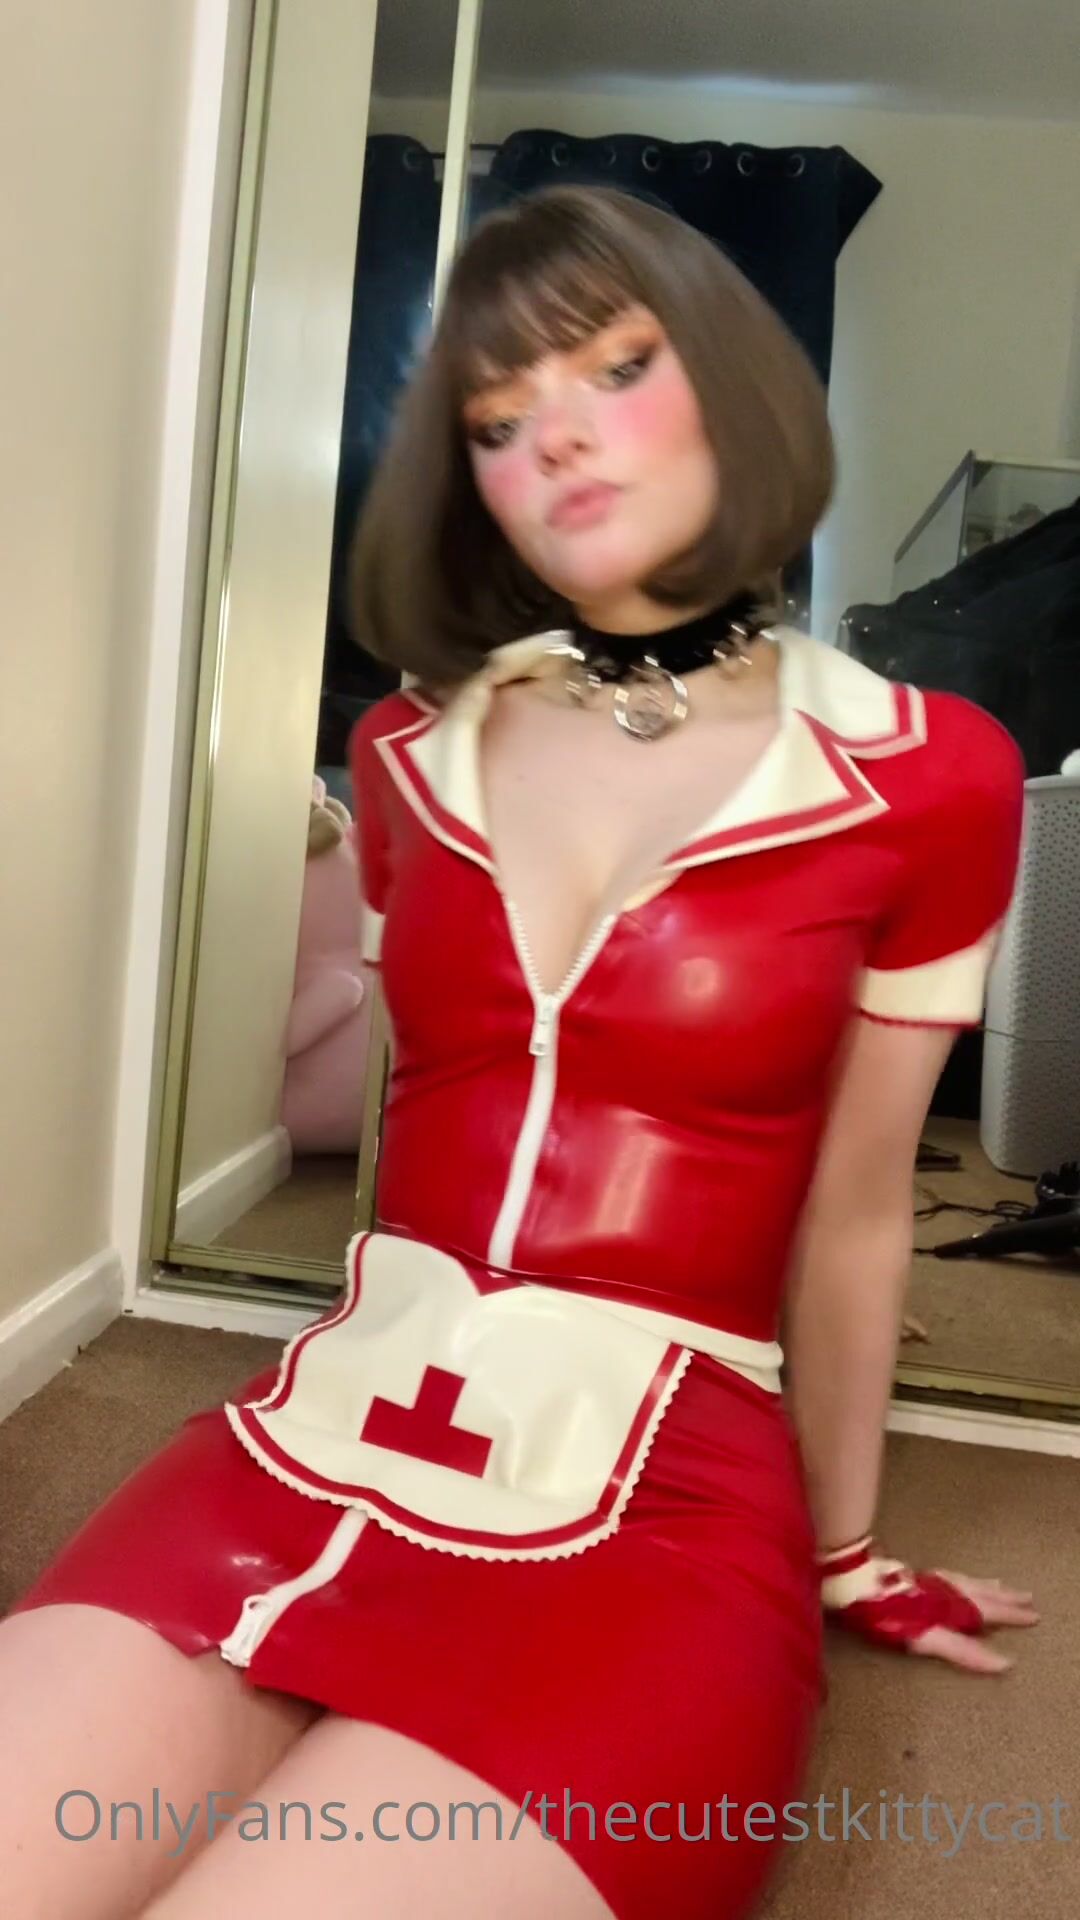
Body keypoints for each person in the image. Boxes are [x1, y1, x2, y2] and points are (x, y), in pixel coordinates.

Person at [0, 185, 1039, 1920]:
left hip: (666, 1498)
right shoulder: (408, 757)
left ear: (734, 382)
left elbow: (862, 1209)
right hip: (318, 1433)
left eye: (617, 366)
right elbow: (432, 1105)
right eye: (496, 418)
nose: (553, 434)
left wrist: (847, 1552)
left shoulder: (932, 771)